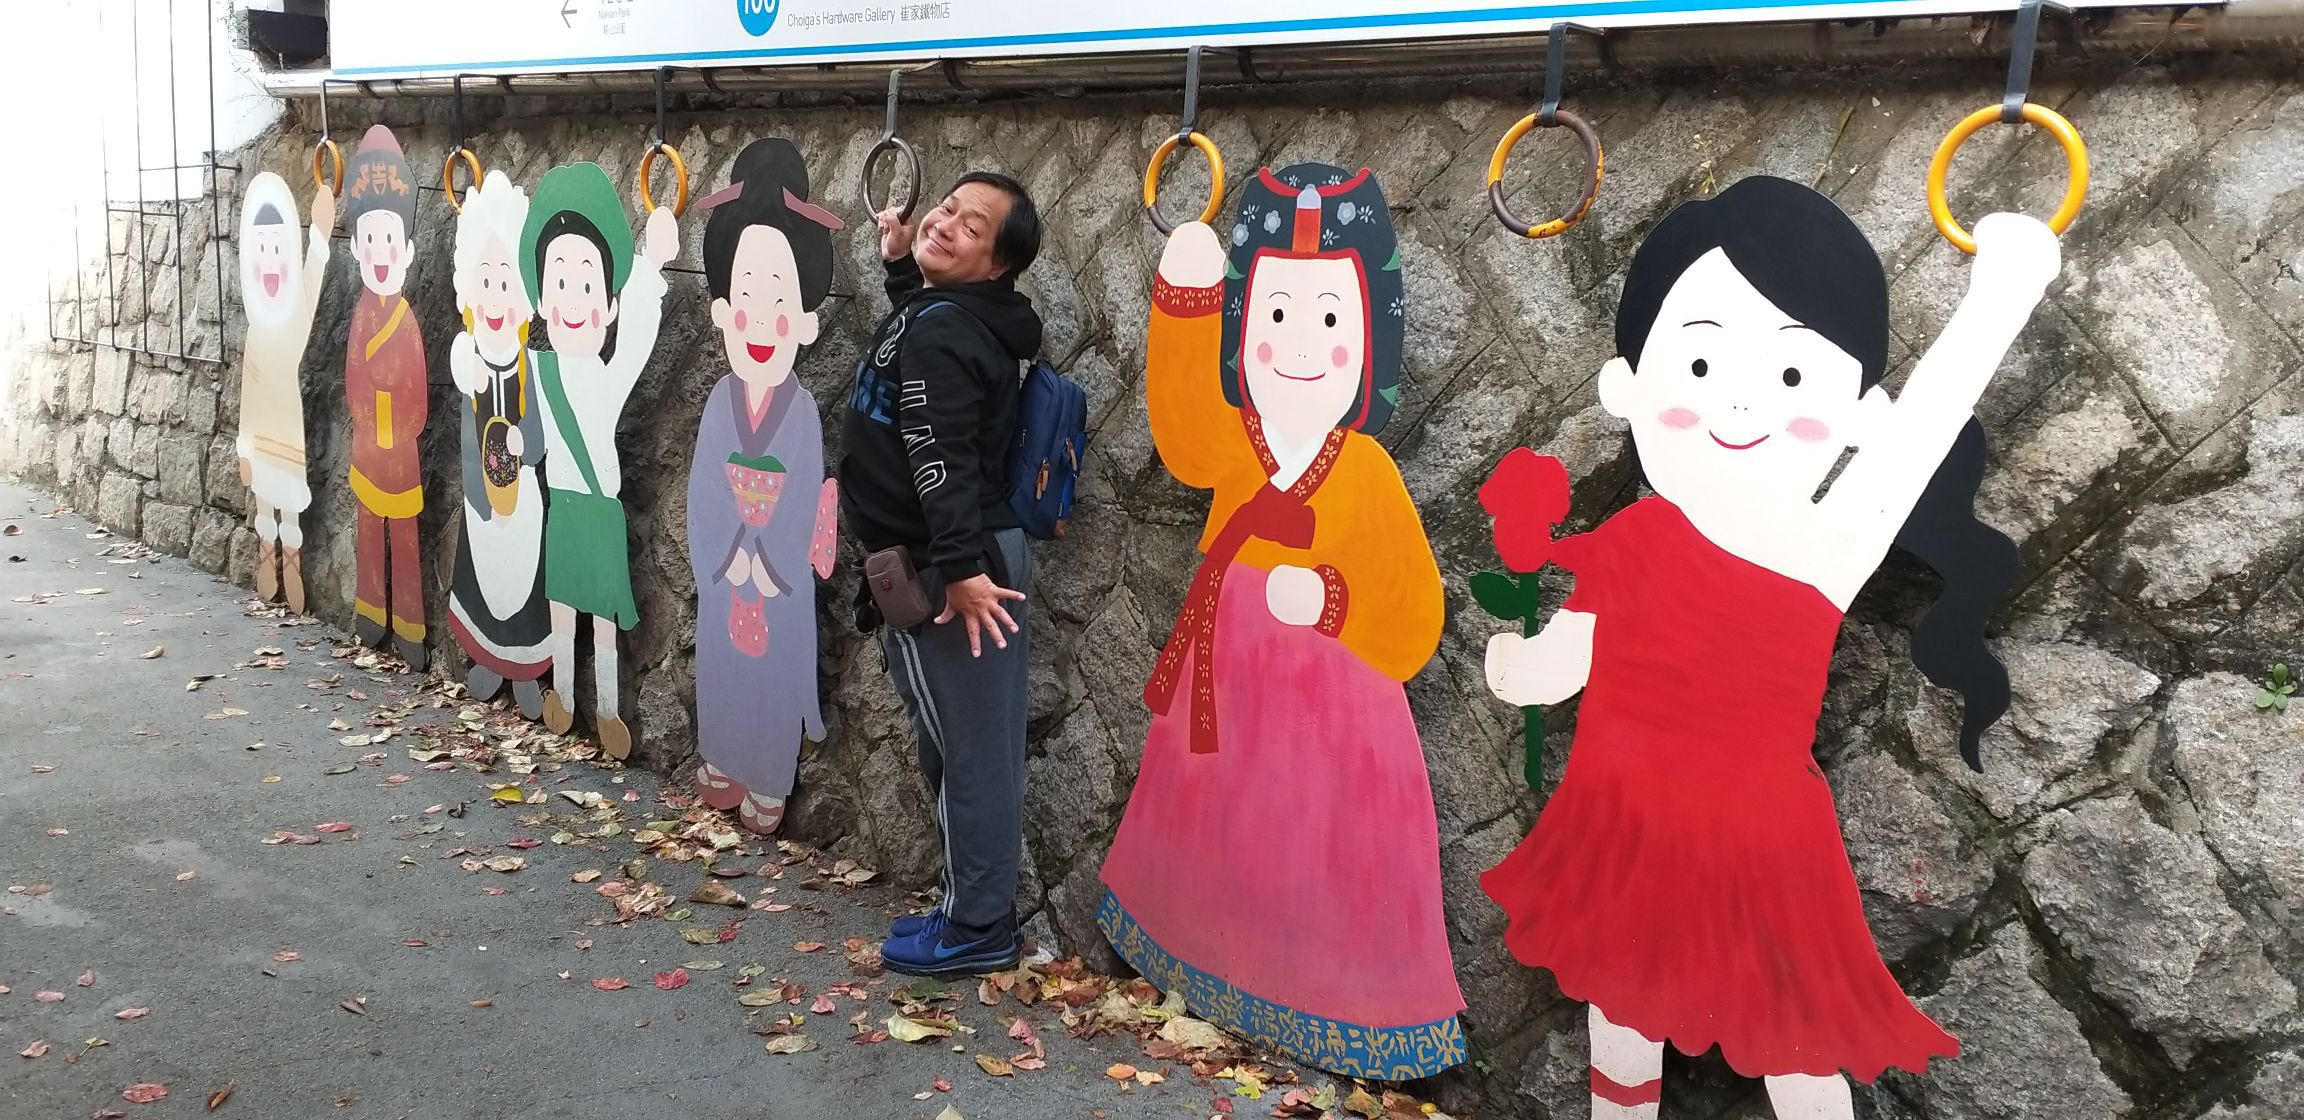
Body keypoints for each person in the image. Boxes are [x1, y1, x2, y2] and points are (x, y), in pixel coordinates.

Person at [1478, 176, 2058, 1119]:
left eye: (1792, 376)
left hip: (1753, 837)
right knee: (1620, 1007)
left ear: (1860, 411)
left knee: (1791, 1036)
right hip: (1624, 816)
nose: (1737, 405)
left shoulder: (1823, 544)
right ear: (1628, 385)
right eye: (1701, 365)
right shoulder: (1635, 537)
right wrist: (1521, 667)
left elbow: (1922, 430)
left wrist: (2002, 295)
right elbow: (1566, 656)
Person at [1096, 164, 1466, 1080]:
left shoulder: (1367, 472)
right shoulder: (1238, 443)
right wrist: (1186, 297)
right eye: (1276, 314)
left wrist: (1331, 600)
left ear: (1368, 341)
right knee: (1218, 822)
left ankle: (1335, 997)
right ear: (1245, 332)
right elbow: (1184, 427)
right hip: (1227, 678)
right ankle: (1202, 950)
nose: (1301, 343)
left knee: (1317, 847)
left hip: (1333, 714)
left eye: (1330, 320)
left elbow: (1414, 614)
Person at [839, 171, 1042, 977]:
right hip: (956, 561)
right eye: (948, 207)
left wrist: (956, 568)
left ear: (998, 265)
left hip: (958, 573)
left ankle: (979, 927)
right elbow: (918, 364)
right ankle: (969, 909)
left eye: (973, 226)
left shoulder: (947, 330)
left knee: (971, 753)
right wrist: (899, 264)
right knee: (958, 744)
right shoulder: (949, 316)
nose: (947, 223)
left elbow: (938, 451)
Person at [686, 138, 844, 835]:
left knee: (775, 668)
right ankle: (722, 757)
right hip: (729, 568)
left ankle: (771, 776)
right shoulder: (720, 402)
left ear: (804, 318)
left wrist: (767, 559)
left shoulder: (800, 411)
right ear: (724, 309)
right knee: (724, 661)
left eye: (775, 300)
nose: (757, 317)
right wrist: (728, 556)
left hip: (776, 575)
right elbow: (704, 488)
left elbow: (803, 491)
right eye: (745, 297)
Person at [520, 162, 676, 759]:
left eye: (587, 286)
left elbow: (635, 342)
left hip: (599, 508)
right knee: (562, 608)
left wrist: (652, 265)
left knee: (604, 617)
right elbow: (528, 426)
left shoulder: (608, 378)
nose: (572, 299)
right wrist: (520, 444)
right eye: (559, 282)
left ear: (608, 306)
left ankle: (609, 710)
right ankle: (562, 696)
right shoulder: (539, 370)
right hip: (562, 505)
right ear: (541, 298)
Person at [447, 169, 553, 719]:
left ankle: (529, 669)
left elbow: (540, 436)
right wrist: (480, 496)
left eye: (506, 282)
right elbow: (469, 433)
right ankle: (490, 659)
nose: (495, 297)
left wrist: (523, 441)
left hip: (526, 495)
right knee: (484, 575)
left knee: (526, 579)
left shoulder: (531, 366)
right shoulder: (468, 363)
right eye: (485, 281)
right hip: (483, 496)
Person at [340, 125, 430, 669]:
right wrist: (368, 420)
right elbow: (353, 376)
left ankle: (411, 624)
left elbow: (418, 391)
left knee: (407, 537)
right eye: (369, 239)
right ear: (356, 247)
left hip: (401, 448)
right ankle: (371, 611)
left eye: (388, 239)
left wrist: (399, 426)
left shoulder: (408, 321)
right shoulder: (361, 314)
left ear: (407, 250)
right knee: (369, 529)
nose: (379, 251)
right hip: (368, 444)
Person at [233, 170, 330, 614]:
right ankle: (266, 563)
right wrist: (244, 450)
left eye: (278, 247)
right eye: (262, 249)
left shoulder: (293, 320)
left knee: (288, 501)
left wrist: (320, 238)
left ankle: (291, 566)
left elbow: (309, 286)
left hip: (288, 432)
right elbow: (247, 399)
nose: (270, 260)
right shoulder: (256, 333)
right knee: (265, 504)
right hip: (263, 435)